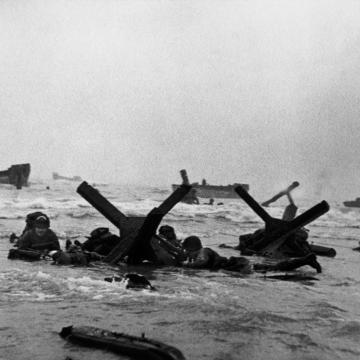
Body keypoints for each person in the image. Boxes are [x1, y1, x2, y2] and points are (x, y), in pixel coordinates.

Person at [181, 236, 322, 273]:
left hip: (237, 266)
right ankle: (305, 260)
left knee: (274, 270)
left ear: (192, 247)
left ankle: (305, 260)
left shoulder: (202, 251)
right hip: (238, 264)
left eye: (187, 250)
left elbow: (202, 262)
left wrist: (186, 266)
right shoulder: (203, 250)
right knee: (275, 268)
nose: (187, 254)